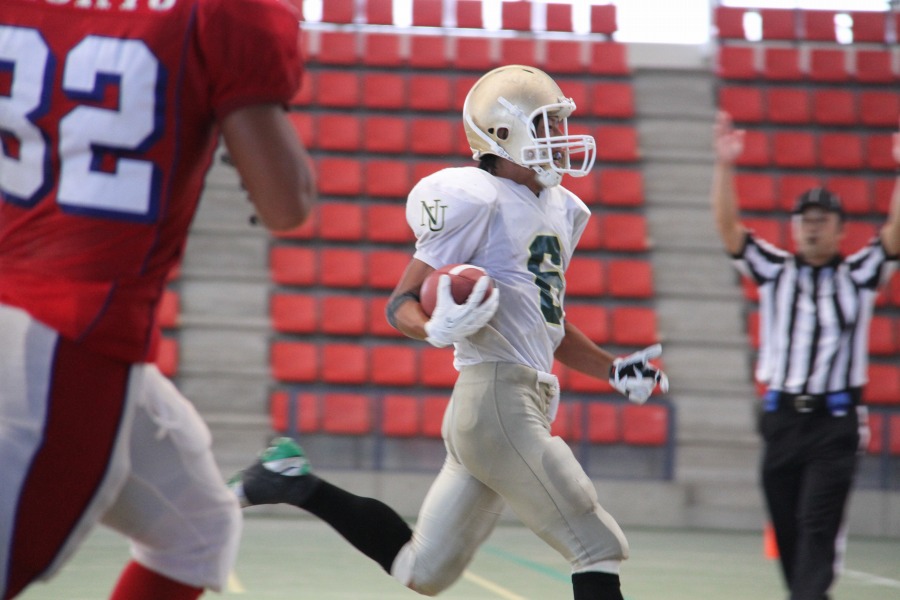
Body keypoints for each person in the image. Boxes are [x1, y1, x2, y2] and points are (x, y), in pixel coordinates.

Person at [229, 64, 668, 600]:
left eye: (558, 123)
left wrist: (612, 368)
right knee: (595, 546)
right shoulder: (476, 198)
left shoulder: (562, 209)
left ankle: (291, 481)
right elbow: (401, 302)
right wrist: (434, 327)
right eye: (545, 123)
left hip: (506, 406)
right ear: (503, 133)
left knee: (422, 569)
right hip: (498, 402)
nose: (558, 136)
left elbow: (547, 320)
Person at [0, 0, 316, 597]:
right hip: (71, 334)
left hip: (28, 305)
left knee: (195, 528)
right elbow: (285, 203)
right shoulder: (223, 12)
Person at [710, 111, 900, 600]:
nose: (812, 228)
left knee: (818, 526)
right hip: (781, 421)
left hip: (834, 424)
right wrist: (724, 165)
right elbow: (729, 230)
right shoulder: (776, 271)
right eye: (805, 220)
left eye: (822, 221)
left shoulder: (858, 275)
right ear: (794, 228)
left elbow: (894, 236)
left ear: (841, 230)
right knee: (789, 529)